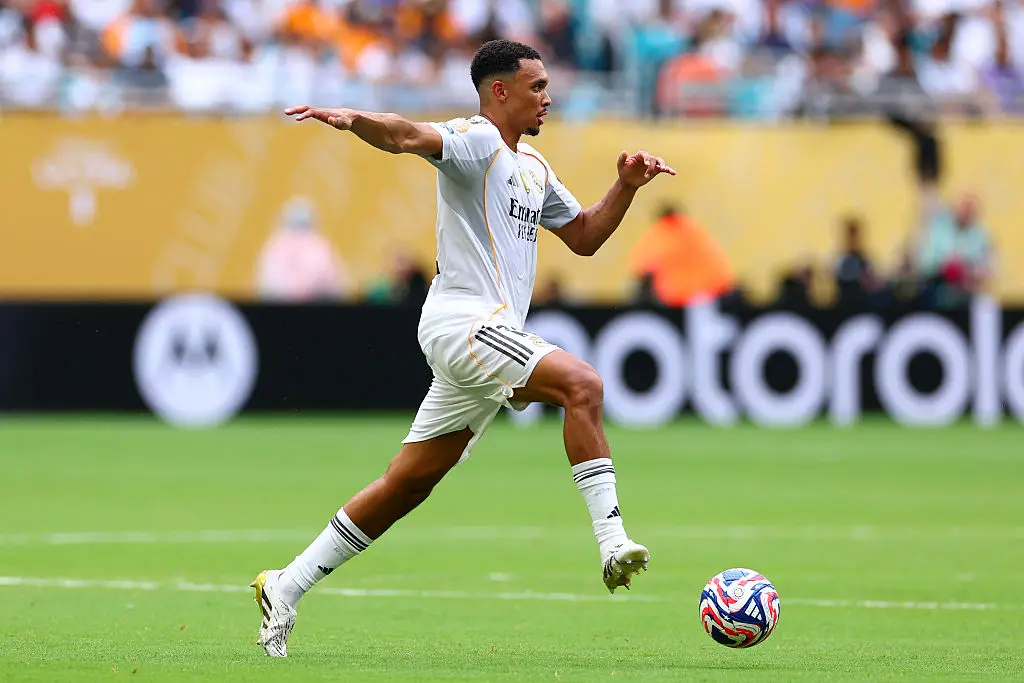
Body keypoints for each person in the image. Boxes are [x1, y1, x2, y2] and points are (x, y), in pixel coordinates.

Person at [250, 39, 676, 658]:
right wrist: (354, 118)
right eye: (536, 87)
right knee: (582, 384)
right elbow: (405, 135)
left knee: (406, 485)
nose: (548, 97)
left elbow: (584, 236)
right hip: (463, 323)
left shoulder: (533, 167)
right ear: (499, 91)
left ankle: (285, 586)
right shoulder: (476, 140)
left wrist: (625, 186)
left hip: (483, 338)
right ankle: (613, 542)